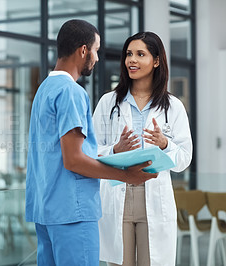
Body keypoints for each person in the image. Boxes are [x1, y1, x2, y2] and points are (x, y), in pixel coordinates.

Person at [25, 20, 158, 266]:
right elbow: (73, 159)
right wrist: (126, 175)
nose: (97, 58)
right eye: (96, 50)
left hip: (45, 211)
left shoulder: (44, 90)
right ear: (83, 50)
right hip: (72, 213)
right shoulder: (71, 92)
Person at [92, 32, 193, 266]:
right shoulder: (108, 103)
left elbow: (184, 159)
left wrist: (165, 144)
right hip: (118, 193)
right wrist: (115, 150)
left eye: (140, 54)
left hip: (154, 196)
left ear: (156, 61)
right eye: (129, 54)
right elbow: (91, 150)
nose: (132, 60)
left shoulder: (173, 107)